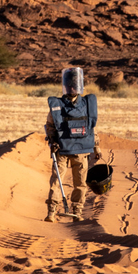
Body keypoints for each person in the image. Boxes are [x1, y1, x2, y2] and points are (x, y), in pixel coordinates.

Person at [44, 67, 101, 222]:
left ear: (80, 86)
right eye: (69, 85)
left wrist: (96, 146)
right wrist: (52, 140)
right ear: (65, 86)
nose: (72, 88)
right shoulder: (57, 105)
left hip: (82, 149)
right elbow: (50, 126)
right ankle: (52, 211)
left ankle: (77, 211)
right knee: (56, 181)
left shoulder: (87, 104)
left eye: (75, 85)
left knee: (80, 183)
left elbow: (91, 127)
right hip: (62, 149)